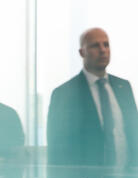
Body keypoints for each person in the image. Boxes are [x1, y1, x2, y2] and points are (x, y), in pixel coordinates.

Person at [47, 28, 138, 167]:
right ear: (82, 52)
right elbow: (57, 148)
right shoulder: (65, 94)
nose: (103, 50)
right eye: (95, 45)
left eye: (106, 45)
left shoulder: (123, 87)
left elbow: (133, 133)